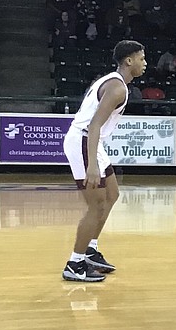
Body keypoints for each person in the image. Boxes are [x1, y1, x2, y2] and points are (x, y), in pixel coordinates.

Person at [61, 40, 147, 282]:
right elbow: (94, 125)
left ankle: (90, 249)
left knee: (112, 194)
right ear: (129, 61)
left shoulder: (111, 80)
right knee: (96, 205)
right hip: (84, 140)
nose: (145, 63)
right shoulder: (118, 88)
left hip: (90, 142)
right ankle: (74, 264)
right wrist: (92, 165)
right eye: (141, 58)